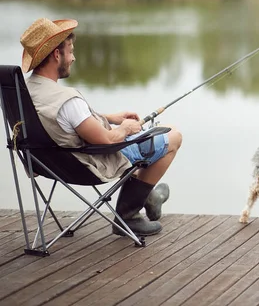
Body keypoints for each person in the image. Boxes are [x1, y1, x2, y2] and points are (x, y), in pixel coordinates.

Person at [19, 18, 183, 236]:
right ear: (56, 55)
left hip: (49, 163)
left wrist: (110, 117)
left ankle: (149, 197)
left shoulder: (25, 91)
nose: (74, 57)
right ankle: (129, 215)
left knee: (150, 137)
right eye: (71, 51)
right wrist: (125, 128)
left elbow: (62, 121)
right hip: (90, 162)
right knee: (173, 135)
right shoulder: (68, 100)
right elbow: (106, 140)